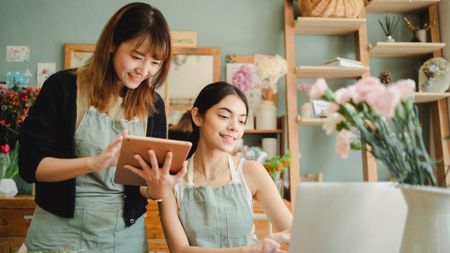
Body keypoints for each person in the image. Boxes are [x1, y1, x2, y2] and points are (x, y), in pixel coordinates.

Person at [18, 3, 186, 252]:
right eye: (136, 57)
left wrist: (157, 188)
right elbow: (31, 167)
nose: (144, 70)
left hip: (123, 236)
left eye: (155, 62)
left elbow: (142, 187)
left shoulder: (154, 105)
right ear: (111, 44)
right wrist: (94, 163)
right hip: (58, 232)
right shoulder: (62, 87)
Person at [157, 82, 292, 253]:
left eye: (242, 121)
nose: (234, 127)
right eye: (224, 116)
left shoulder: (251, 172)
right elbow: (180, 250)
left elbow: (294, 234)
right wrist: (249, 251)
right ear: (198, 116)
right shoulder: (171, 178)